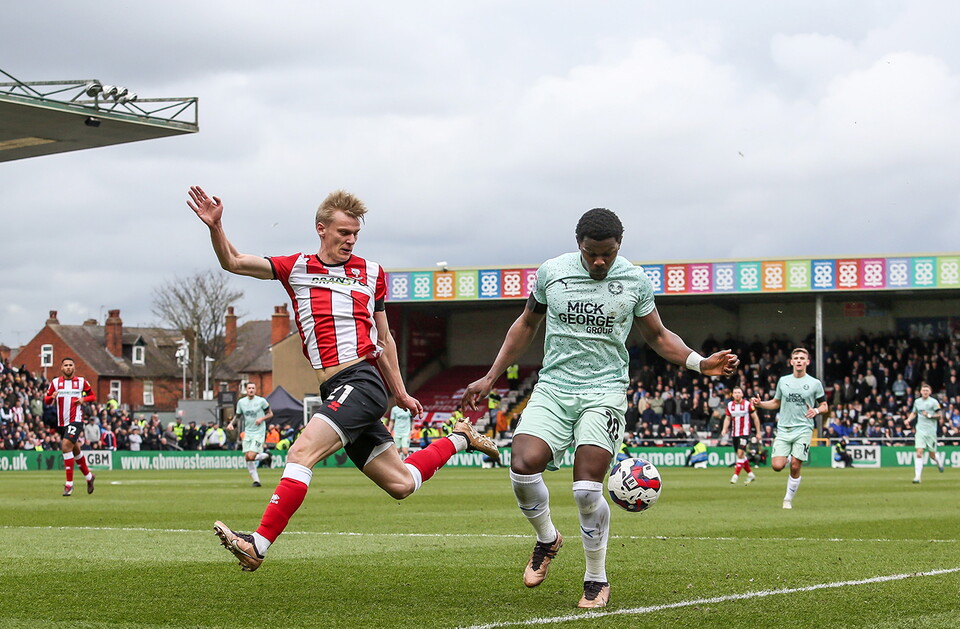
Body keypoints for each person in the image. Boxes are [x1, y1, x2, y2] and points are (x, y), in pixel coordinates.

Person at [188, 185, 498, 571]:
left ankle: (259, 544)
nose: (351, 240)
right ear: (321, 229)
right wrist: (216, 228)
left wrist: (399, 392)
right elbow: (233, 261)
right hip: (335, 387)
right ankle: (460, 437)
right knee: (400, 484)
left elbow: (384, 338)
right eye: (343, 233)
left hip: (363, 382)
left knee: (301, 453)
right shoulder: (297, 267)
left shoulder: (371, 273)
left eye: (355, 234)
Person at [461, 208, 738, 608]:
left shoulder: (634, 279)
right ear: (579, 245)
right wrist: (490, 376)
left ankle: (595, 577)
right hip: (554, 388)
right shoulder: (552, 273)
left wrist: (700, 362)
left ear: (618, 246)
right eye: (592, 253)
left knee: (586, 487)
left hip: (604, 392)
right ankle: (547, 539)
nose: (599, 261)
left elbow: (658, 335)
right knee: (522, 466)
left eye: (607, 253)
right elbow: (524, 325)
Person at [750, 348, 828, 510]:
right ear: (791, 362)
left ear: (807, 362)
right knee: (777, 466)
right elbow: (776, 402)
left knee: (795, 466)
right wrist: (760, 404)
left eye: (802, 358)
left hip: (804, 429)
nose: (799, 361)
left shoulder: (815, 383)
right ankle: (787, 457)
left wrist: (816, 411)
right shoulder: (783, 381)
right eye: (796, 358)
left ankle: (787, 499)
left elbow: (824, 406)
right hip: (784, 429)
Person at [42, 357, 96, 496]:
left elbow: (92, 396)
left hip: (76, 420)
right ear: (61, 368)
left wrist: (84, 399)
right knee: (75, 449)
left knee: (66, 446)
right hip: (61, 422)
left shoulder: (81, 382)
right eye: (65, 365)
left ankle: (69, 485)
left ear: (74, 367)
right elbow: (47, 401)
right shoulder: (55, 382)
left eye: (70, 365)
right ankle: (89, 477)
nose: (68, 367)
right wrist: (51, 397)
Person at [228, 382, 274, 487]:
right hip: (248, 432)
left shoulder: (261, 401)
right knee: (247, 457)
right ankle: (256, 481)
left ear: (255, 389)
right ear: (246, 390)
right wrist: (231, 424)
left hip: (259, 432)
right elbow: (238, 416)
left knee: (252, 456)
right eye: (249, 388)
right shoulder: (241, 402)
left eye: (253, 388)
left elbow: (270, 413)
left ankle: (267, 456)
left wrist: (262, 419)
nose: (251, 390)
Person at [903, 382, 945, 484]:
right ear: (920, 392)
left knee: (932, 455)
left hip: (930, 432)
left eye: (927, 390)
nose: (925, 392)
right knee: (919, 452)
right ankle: (917, 477)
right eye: (923, 390)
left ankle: (938, 462)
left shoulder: (934, 402)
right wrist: (908, 420)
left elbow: (940, 415)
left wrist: (929, 416)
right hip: (920, 430)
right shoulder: (917, 402)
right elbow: (914, 412)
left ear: (930, 392)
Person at [721, 386, 761, 485]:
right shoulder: (730, 405)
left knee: (740, 454)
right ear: (732, 395)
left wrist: (758, 431)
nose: (737, 394)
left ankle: (735, 476)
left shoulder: (747, 404)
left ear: (742, 394)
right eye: (735, 393)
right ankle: (751, 474)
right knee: (741, 455)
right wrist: (724, 428)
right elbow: (727, 418)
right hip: (734, 434)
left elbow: (755, 418)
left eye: (739, 392)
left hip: (745, 433)